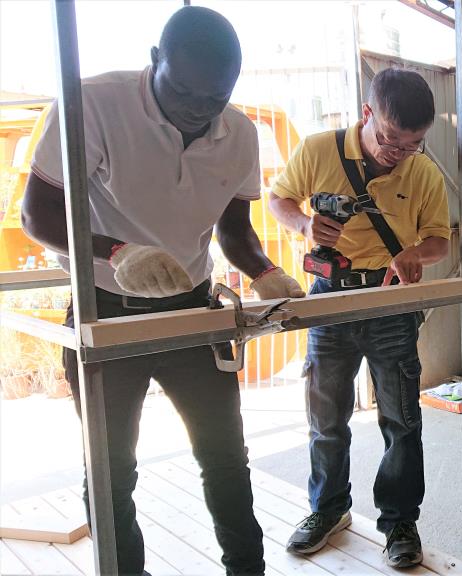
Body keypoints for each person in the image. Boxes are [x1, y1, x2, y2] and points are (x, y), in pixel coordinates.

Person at [22, 7, 304, 575]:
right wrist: (117, 252)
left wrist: (264, 272)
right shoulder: (92, 104)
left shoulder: (240, 133)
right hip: (107, 308)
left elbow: (234, 230)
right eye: (184, 92)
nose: (198, 111)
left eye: (214, 99)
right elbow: (38, 214)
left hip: (191, 309)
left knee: (224, 457)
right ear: (155, 60)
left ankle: (247, 571)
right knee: (110, 468)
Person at [267, 68, 450, 568]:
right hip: (329, 298)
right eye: (391, 139)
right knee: (326, 417)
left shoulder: (423, 172)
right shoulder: (318, 150)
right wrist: (303, 223)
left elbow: (440, 240)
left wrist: (415, 252)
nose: (399, 152)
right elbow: (278, 198)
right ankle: (328, 510)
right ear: (367, 114)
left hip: (390, 300)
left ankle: (399, 521)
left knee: (401, 417)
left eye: (413, 144)